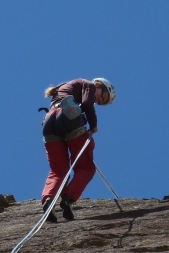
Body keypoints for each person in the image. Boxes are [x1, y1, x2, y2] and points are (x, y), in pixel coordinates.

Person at [40, 78, 116, 222]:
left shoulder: (65, 89)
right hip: (69, 118)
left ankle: (48, 200)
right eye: (103, 96)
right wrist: (93, 126)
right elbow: (87, 104)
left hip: (49, 122)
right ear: (99, 85)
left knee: (58, 170)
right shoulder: (88, 85)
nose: (98, 100)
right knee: (86, 168)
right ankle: (68, 199)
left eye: (101, 102)